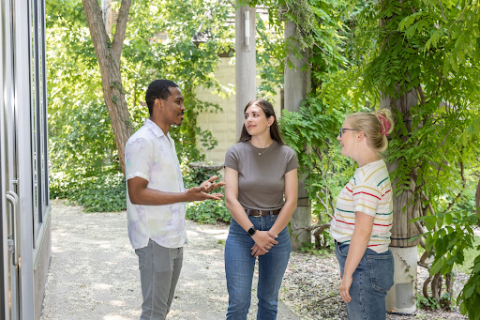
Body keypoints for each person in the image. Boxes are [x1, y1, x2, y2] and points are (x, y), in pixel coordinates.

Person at [125, 79, 225, 320]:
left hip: (172, 238)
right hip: (154, 239)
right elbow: (136, 193)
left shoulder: (165, 140)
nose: (183, 107)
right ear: (159, 104)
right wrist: (184, 196)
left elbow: (163, 186)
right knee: (154, 313)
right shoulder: (143, 141)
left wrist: (194, 191)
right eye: (177, 102)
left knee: (161, 311)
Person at [223, 99, 299, 320]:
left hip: (276, 232)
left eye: (255, 114)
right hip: (242, 231)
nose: (249, 119)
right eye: (247, 115)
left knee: (268, 301)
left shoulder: (287, 154)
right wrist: (255, 234)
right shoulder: (235, 153)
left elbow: (291, 200)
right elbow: (230, 199)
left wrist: (270, 236)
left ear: (270, 120)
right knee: (238, 303)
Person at [331, 109, 395, 320]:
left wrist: (348, 273)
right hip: (363, 261)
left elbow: (362, 231)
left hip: (364, 264)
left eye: (343, 131)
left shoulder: (367, 179)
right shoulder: (370, 171)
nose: (339, 137)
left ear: (360, 136)